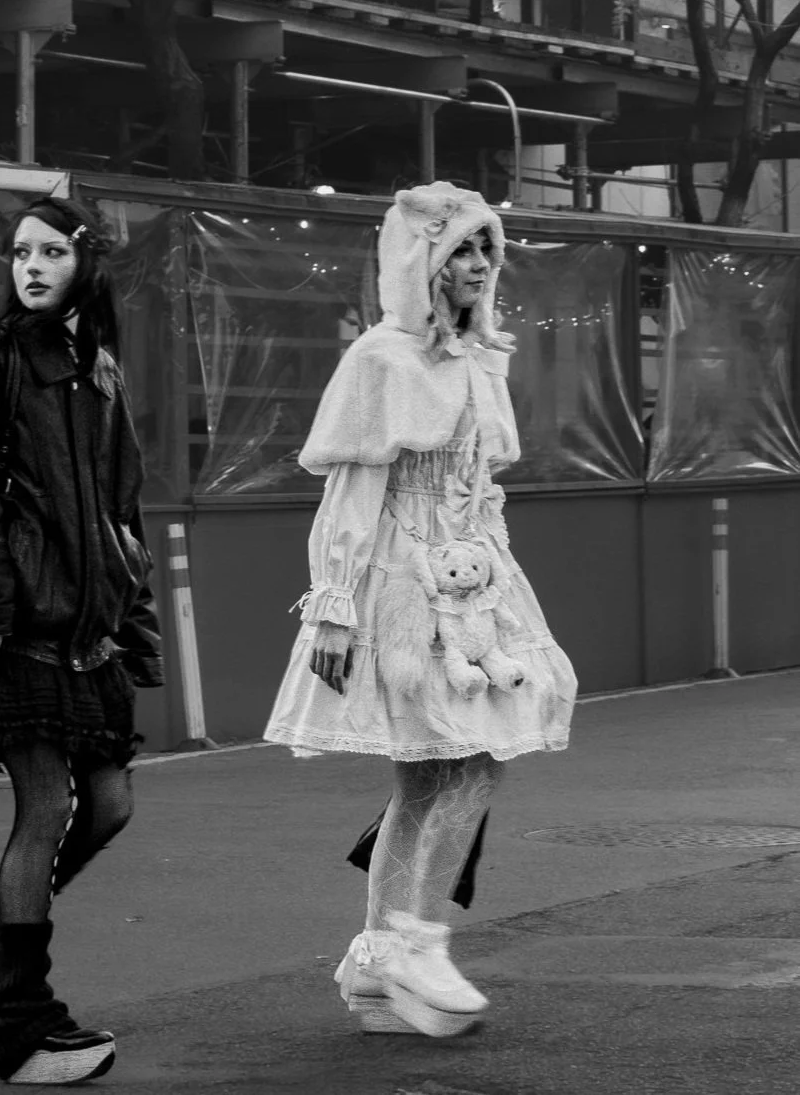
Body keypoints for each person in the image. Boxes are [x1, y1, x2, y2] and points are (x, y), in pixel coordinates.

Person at [265, 182, 577, 1038]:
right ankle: (413, 941)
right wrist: (332, 607)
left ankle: (379, 959)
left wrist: (500, 589)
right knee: (464, 760)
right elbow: (352, 493)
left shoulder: (481, 359)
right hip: (401, 584)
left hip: (475, 578)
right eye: (460, 252)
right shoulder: (380, 358)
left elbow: (480, 490)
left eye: (487, 251)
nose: (478, 266)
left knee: (442, 768)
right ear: (422, 264)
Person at [0, 195, 163, 1086]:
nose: (30, 266)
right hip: (17, 626)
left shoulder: (97, 365)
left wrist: (134, 630)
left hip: (85, 629)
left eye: (51, 251)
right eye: (20, 252)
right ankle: (21, 1027)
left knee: (110, 807)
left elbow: (119, 511)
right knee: (48, 807)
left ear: (83, 263)